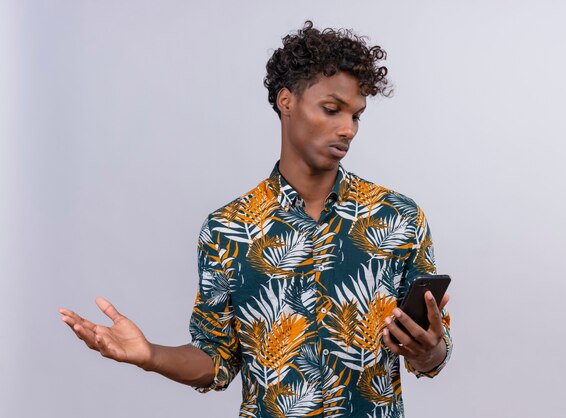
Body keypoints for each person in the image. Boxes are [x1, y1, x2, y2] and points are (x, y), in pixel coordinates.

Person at [60, 21, 452, 417]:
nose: (347, 129)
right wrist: (149, 355)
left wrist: (430, 350)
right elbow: (216, 360)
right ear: (287, 102)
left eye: (357, 116)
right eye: (332, 110)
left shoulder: (398, 218)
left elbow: (431, 353)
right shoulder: (228, 229)